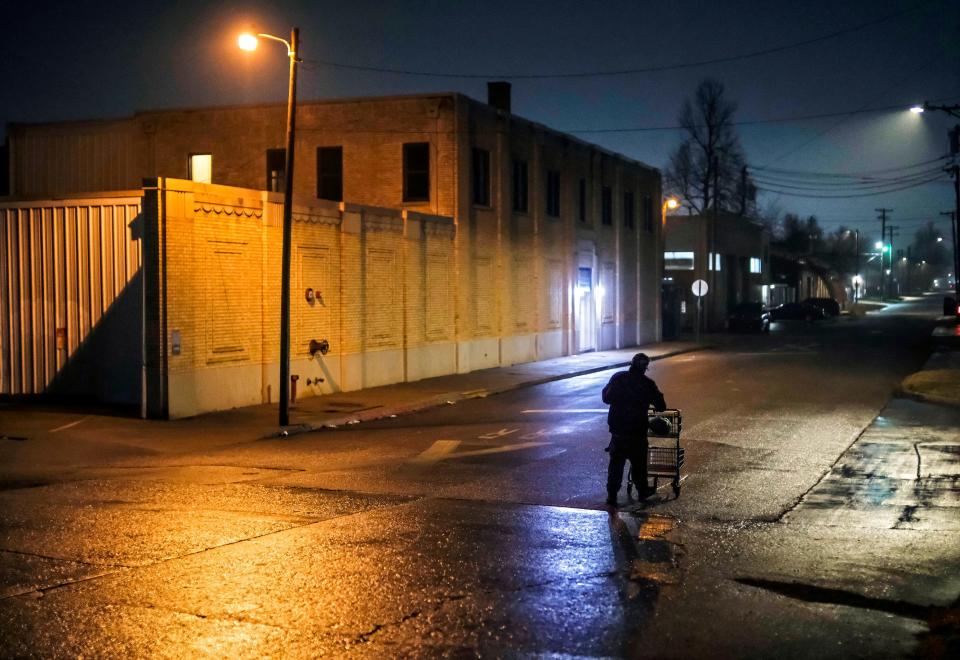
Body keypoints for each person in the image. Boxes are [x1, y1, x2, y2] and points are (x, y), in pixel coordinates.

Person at [602, 352, 666, 506]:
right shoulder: (647, 384)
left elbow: (606, 398)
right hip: (637, 431)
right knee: (639, 464)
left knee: (616, 465)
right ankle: (643, 491)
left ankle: (612, 495)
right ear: (644, 368)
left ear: (631, 364)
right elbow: (661, 406)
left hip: (618, 431)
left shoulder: (618, 378)